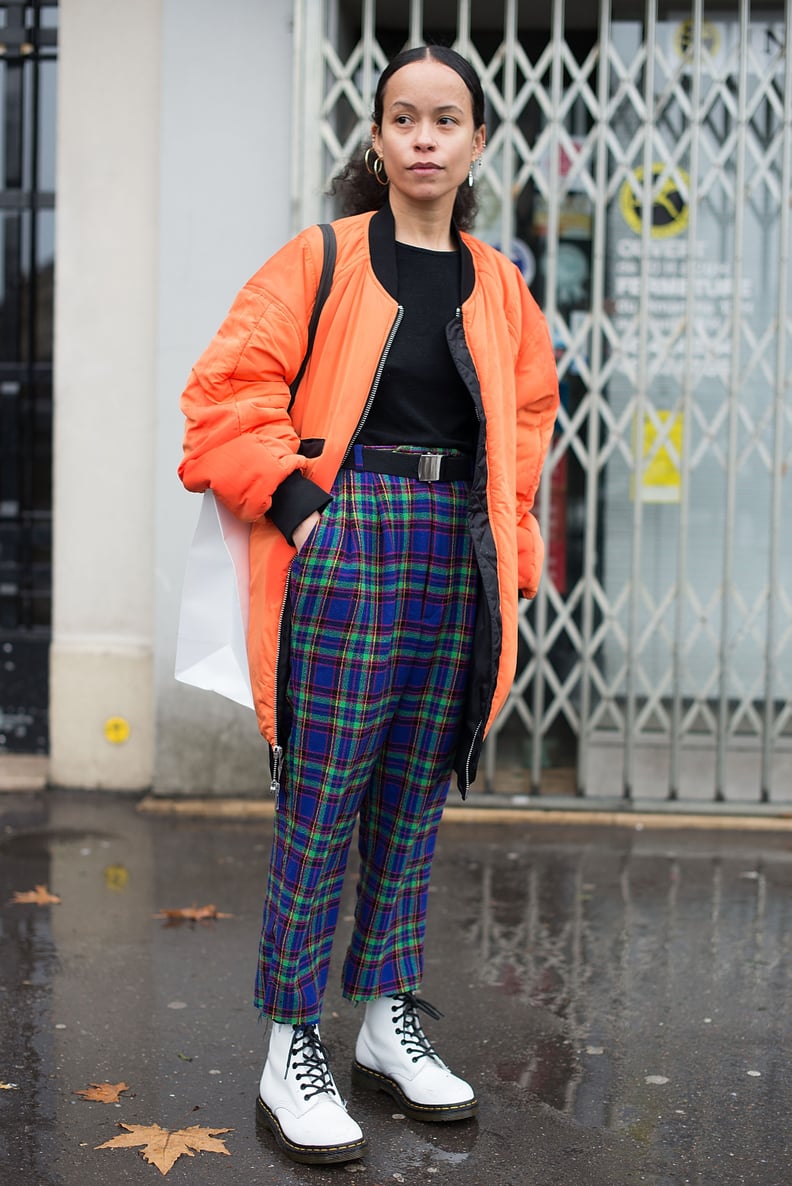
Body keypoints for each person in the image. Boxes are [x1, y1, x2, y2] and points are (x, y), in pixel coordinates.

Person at [178, 44, 558, 1167]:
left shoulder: (499, 284)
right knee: (325, 791)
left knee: (413, 792)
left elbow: (525, 429)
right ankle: (291, 1039)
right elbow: (225, 390)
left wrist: (513, 557)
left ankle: (388, 1019)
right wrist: (301, 507)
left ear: (478, 141)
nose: (426, 137)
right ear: (379, 140)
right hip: (349, 536)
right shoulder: (325, 257)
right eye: (405, 118)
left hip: (457, 551)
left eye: (447, 119)